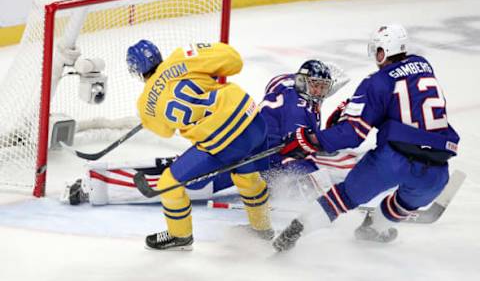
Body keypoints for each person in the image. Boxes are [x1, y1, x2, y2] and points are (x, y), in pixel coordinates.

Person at [61, 59, 353, 206]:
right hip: (253, 155)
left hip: (233, 134)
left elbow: (285, 112)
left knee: (182, 165)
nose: (319, 91)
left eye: (321, 87)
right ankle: (96, 187)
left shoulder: (285, 81)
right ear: (304, 82)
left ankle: (99, 176)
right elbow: (297, 146)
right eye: (315, 85)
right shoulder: (299, 110)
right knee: (190, 183)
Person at [273, 24, 460, 251]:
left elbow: (353, 133)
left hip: (393, 161)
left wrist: (310, 139)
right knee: (405, 202)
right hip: (436, 172)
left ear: (383, 52)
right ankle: (374, 228)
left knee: (343, 198)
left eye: (377, 51)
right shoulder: (424, 66)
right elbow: (410, 105)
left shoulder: (376, 82)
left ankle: (294, 233)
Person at [128, 41, 273, 251]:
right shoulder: (180, 56)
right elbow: (234, 61)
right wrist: (208, 71)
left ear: (136, 71)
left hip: (224, 142)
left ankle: (180, 236)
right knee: (245, 174)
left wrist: (149, 112)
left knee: (169, 182)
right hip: (254, 121)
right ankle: (262, 229)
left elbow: (165, 131)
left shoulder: (144, 105)